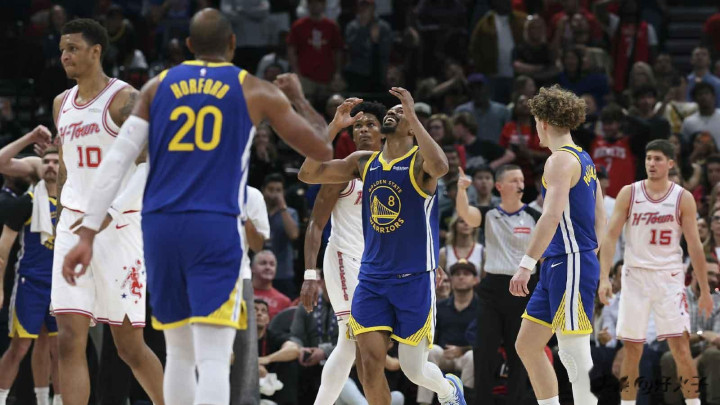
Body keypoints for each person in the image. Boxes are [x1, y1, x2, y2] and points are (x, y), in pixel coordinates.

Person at [61, 8, 333, 405]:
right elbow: (322, 149)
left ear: (188, 45)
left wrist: (86, 232)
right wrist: (298, 98)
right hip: (214, 225)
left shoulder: (155, 87)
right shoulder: (253, 88)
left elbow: (117, 160)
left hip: (161, 228)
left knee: (179, 353)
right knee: (213, 356)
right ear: (233, 44)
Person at [298, 87, 467, 404]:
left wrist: (413, 115)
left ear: (412, 127)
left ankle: (448, 390)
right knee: (369, 367)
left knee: (414, 370)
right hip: (372, 279)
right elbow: (308, 174)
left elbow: (442, 167)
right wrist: (333, 127)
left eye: (400, 113)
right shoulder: (364, 162)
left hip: (413, 280)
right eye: (391, 111)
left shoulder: (420, 163)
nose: (393, 112)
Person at [41, 18, 164, 405]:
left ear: (96, 52)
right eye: (62, 50)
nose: (64, 56)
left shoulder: (125, 99)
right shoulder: (61, 104)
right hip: (73, 225)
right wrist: (60, 218)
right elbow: (65, 166)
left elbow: (149, 164)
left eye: (73, 49)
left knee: (129, 347)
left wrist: (112, 209)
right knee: (68, 340)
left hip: (119, 227)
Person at [598, 139, 714, 405]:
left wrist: (706, 290)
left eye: (658, 158)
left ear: (670, 163)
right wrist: (604, 278)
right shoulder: (629, 193)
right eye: (649, 158)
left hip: (668, 278)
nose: (652, 163)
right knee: (632, 349)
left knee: (681, 348)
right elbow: (610, 236)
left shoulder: (682, 198)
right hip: (635, 277)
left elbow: (695, 246)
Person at [509, 85, 606, 405]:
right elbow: (601, 215)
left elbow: (550, 217)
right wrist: (591, 252)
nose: (535, 129)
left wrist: (525, 265)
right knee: (527, 345)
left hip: (569, 260)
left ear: (544, 122)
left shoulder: (560, 161)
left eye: (535, 122)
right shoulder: (583, 157)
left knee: (573, 353)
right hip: (561, 262)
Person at [298, 98, 386, 405]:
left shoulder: (396, 170)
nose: (363, 130)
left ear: (384, 131)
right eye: (358, 125)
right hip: (343, 258)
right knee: (351, 339)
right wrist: (310, 274)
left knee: (356, 344)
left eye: (370, 124)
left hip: (376, 265)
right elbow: (315, 224)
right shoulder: (342, 172)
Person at [456, 163, 541, 404]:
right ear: (499, 186)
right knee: (484, 351)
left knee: (519, 353)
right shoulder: (489, 214)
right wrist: (462, 190)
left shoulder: (535, 217)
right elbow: (466, 214)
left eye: (522, 179)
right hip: (493, 290)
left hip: (525, 289)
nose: (520, 184)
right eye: (514, 180)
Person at [0, 144, 61, 405]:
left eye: (56, 162)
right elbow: (3, 248)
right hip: (30, 283)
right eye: (46, 162)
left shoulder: (72, 201)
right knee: (20, 347)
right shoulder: (28, 202)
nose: (50, 166)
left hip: (60, 285)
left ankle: (50, 401)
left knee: (58, 349)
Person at [417, 261, 478, 405]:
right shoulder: (440, 306)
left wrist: (462, 350)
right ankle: (424, 402)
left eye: (466, 274)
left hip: (467, 354)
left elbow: (485, 340)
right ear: (451, 280)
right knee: (431, 351)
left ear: (475, 280)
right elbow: (431, 335)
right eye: (457, 274)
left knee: (472, 357)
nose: (461, 277)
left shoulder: (481, 307)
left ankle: (464, 401)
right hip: (444, 354)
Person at [231, 184, 270, 405]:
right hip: (201, 275)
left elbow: (258, 245)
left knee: (244, 348)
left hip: (239, 275)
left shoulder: (252, 195)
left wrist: (241, 216)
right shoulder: (200, 184)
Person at [262, 173, 300, 299]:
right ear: (263, 190)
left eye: (278, 190)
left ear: (283, 192)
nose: (274, 194)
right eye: (271, 189)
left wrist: (282, 207)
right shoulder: (257, 211)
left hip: (283, 272)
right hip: (258, 271)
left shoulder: (290, 213)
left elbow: (294, 234)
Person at [252, 250, 292, 320]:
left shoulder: (284, 302)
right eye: (263, 263)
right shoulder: (239, 293)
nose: (268, 267)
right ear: (252, 268)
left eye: (272, 264)